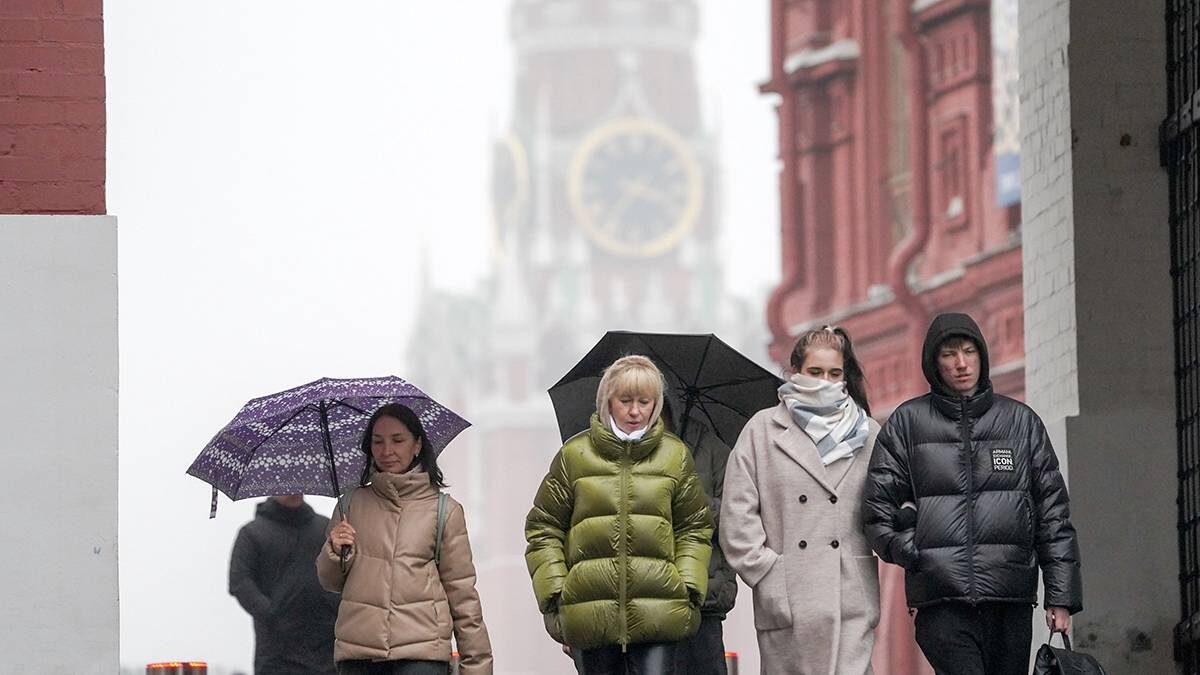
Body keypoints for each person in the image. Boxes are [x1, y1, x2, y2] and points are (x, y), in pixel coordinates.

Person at [863, 312, 1083, 675]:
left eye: (969, 351)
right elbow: (876, 510)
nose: (962, 363)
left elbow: (1053, 516)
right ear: (933, 363)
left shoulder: (1021, 423)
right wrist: (916, 552)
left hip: (1009, 598)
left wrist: (1061, 596)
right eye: (949, 354)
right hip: (941, 601)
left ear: (982, 355)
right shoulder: (906, 424)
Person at [525, 355, 713, 675]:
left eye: (645, 401)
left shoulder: (675, 456)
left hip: (660, 613)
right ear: (606, 401)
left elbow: (694, 527)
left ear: (656, 405)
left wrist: (688, 586)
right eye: (625, 400)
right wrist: (557, 593)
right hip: (590, 614)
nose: (635, 411)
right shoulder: (574, 455)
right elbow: (543, 527)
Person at [721, 326, 881, 674]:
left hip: (849, 597)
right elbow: (736, 516)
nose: (825, 381)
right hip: (789, 599)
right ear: (795, 372)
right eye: (815, 372)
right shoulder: (762, 430)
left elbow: (885, 507)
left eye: (834, 373)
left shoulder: (868, 433)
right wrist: (768, 572)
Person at [317, 403, 492, 675]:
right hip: (360, 658)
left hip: (421, 658)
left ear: (417, 445)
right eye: (378, 442)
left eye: (398, 440)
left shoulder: (444, 511)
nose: (387, 451)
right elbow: (330, 581)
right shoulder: (349, 506)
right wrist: (335, 550)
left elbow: (463, 596)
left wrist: (477, 667)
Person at [660, 397, 737, 674]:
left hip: (703, 600)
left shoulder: (713, 449)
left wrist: (690, 500)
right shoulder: (625, 452)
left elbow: (737, 514)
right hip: (644, 603)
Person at [230, 494, 340, 675]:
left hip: (326, 645)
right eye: (286, 486)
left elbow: (342, 571)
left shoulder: (325, 529)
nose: (293, 490)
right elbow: (240, 581)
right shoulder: (252, 534)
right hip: (277, 650)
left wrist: (336, 608)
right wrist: (272, 613)